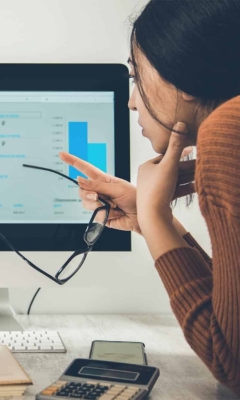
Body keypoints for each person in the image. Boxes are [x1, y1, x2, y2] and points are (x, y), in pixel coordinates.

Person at [61, 0, 240, 395]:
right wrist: (148, 218)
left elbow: (230, 360)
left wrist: (155, 217)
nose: (131, 100)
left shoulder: (228, 133)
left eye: (135, 75)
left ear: (184, 75)